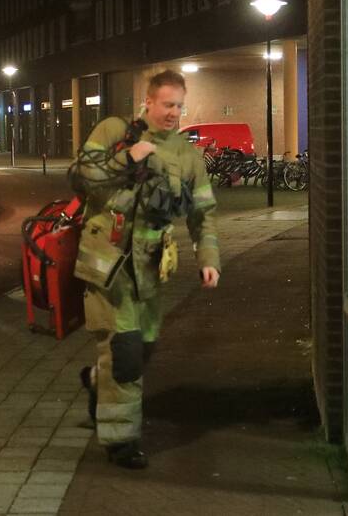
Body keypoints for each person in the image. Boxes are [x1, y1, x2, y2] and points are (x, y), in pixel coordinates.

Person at [71, 69, 220, 469]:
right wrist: (128, 157)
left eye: (179, 106)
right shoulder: (114, 131)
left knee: (143, 348)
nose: (173, 113)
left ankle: (97, 382)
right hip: (109, 266)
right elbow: (82, 177)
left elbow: (203, 213)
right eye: (167, 104)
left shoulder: (187, 155)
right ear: (148, 101)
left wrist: (209, 259)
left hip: (150, 272)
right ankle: (121, 442)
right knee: (125, 352)